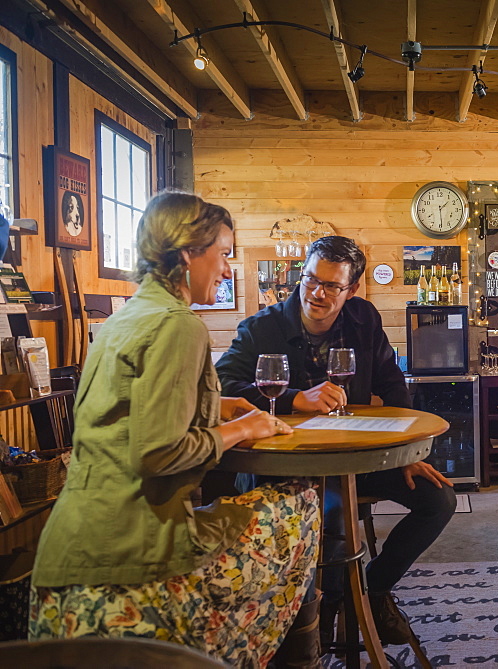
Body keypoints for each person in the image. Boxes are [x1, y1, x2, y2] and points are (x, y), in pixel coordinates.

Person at [29, 191, 320, 668]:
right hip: (135, 552)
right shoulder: (178, 326)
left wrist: (215, 405)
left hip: (69, 548)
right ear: (188, 252)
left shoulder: (127, 317)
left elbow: (125, 415)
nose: (227, 270)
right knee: (302, 502)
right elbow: (157, 453)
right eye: (223, 254)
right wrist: (241, 429)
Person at [215, 235, 456, 645]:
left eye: (331, 286)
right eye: (310, 280)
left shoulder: (363, 319)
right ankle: (315, 620)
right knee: (333, 518)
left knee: (439, 500)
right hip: (286, 470)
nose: (316, 293)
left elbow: (393, 384)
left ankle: (369, 592)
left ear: (352, 289)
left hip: (354, 460)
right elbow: (223, 386)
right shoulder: (262, 327)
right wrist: (293, 398)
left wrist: (405, 454)